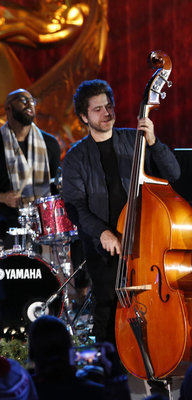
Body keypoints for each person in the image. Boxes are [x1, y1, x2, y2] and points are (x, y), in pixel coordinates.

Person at [62, 79, 181, 345]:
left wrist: (153, 142)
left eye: (109, 106)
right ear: (84, 116)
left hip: (146, 243)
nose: (107, 113)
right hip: (105, 249)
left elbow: (173, 174)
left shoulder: (135, 139)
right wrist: (102, 232)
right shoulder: (75, 158)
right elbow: (74, 206)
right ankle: (110, 371)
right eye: (98, 109)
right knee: (107, 309)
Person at [0, 88, 61, 248]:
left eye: (32, 101)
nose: (29, 104)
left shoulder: (50, 143)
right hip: (8, 222)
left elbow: (56, 186)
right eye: (22, 100)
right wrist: (2, 197)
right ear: (8, 108)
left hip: (44, 221)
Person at [28, 315, 130, 400]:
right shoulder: (94, 393)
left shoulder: (25, 393)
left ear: (32, 352)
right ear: (70, 348)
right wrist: (115, 374)